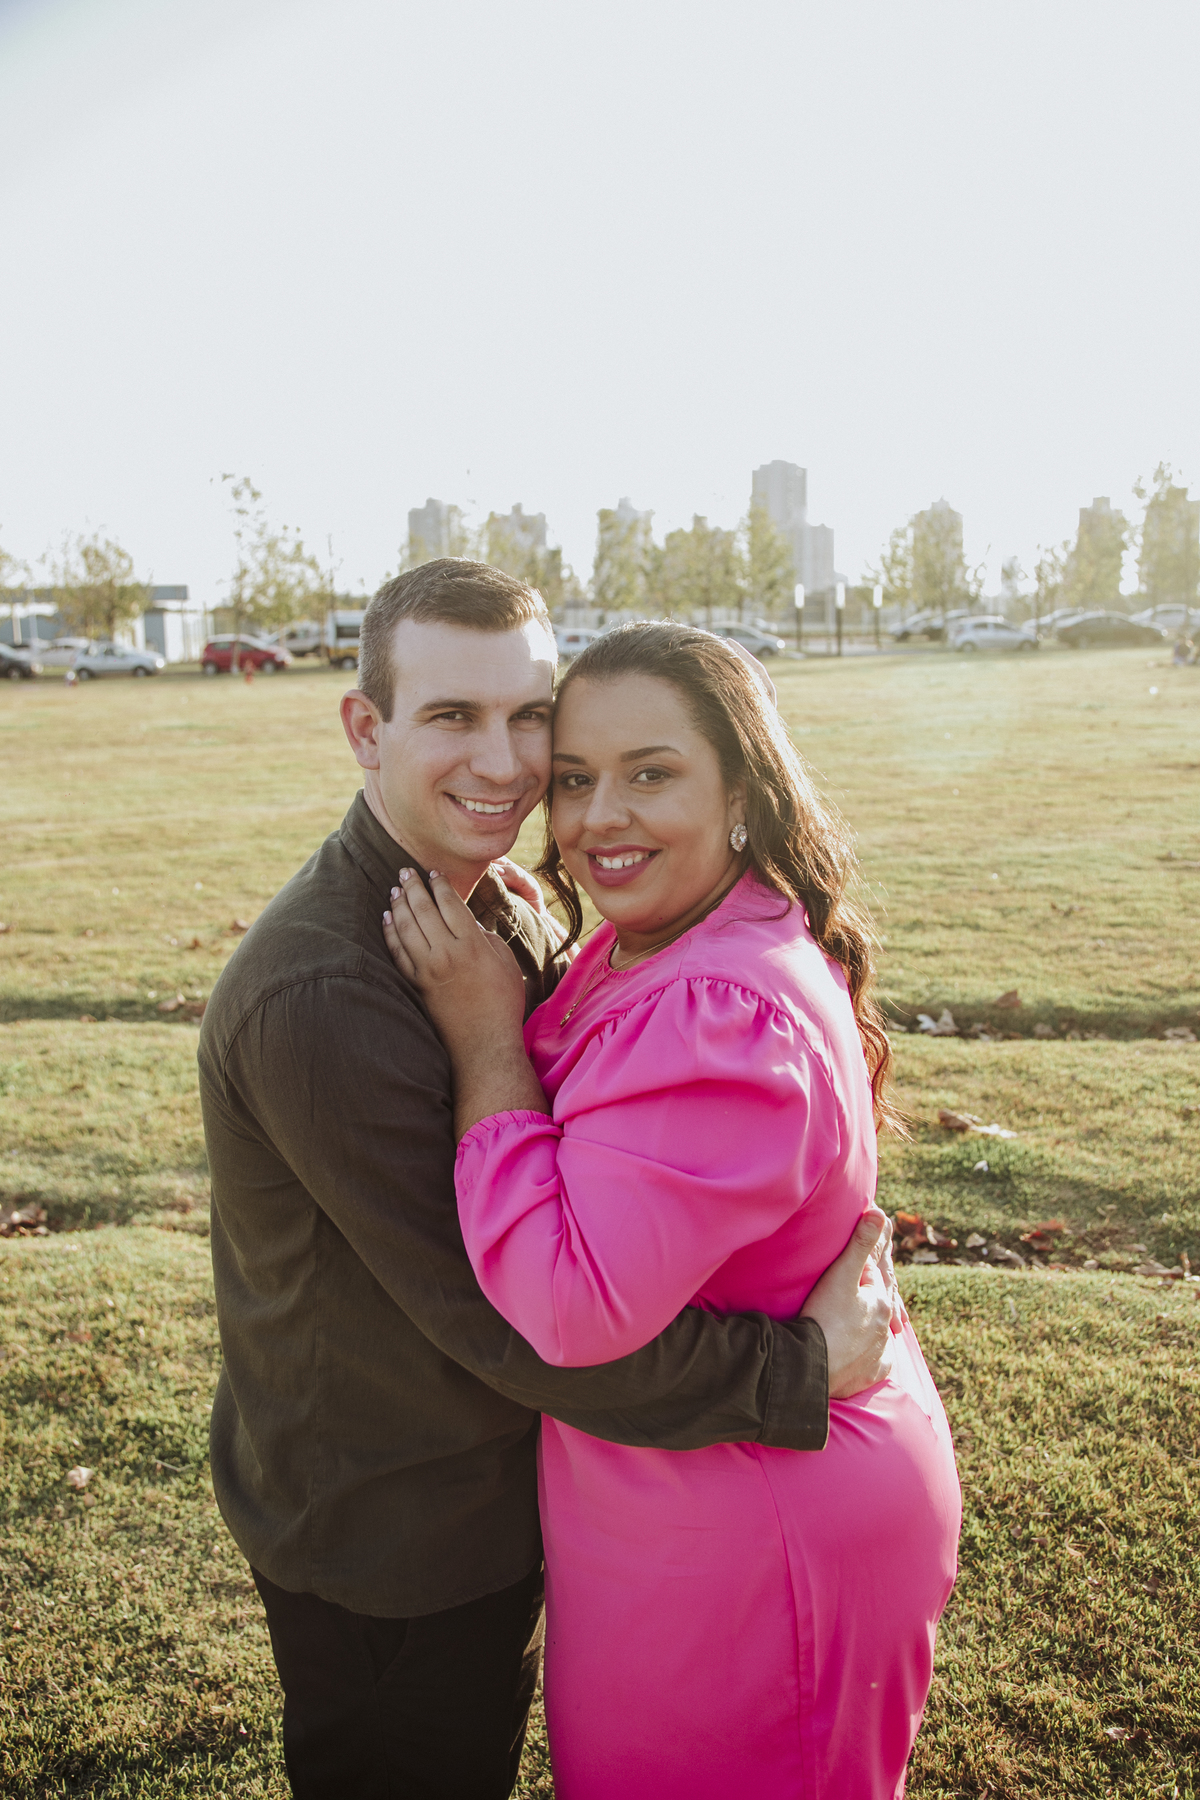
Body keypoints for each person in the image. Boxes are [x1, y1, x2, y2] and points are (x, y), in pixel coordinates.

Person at [198, 562, 901, 1800]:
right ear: (366, 729)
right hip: (393, 1537)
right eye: (452, 716)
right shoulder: (324, 996)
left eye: (530, 717)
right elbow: (511, 1319)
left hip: (497, 1497)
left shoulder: (497, 909)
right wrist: (791, 1371)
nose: (506, 762)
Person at [385, 620, 962, 1800]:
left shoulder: (720, 1009)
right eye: (575, 780)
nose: (600, 818)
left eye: (651, 775)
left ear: (742, 791)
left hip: (757, 1532)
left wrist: (486, 1039)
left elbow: (569, 1303)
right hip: (685, 1498)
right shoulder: (673, 936)